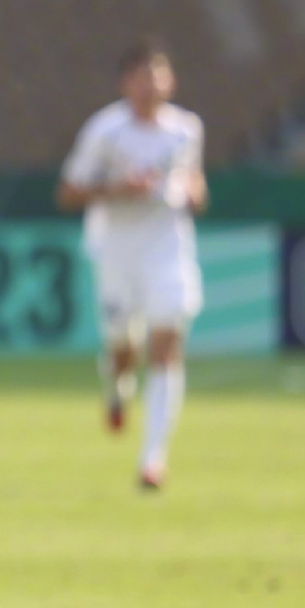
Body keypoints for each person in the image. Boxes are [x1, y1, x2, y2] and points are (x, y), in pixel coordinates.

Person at [56, 38, 207, 489]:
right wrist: (120, 189)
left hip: (167, 248)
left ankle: (152, 459)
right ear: (126, 83)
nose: (150, 86)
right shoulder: (105, 131)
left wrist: (193, 193)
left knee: (166, 345)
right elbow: (69, 192)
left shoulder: (186, 130)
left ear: (170, 81)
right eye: (142, 77)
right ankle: (117, 389)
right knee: (124, 350)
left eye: (158, 76)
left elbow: (196, 184)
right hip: (117, 251)